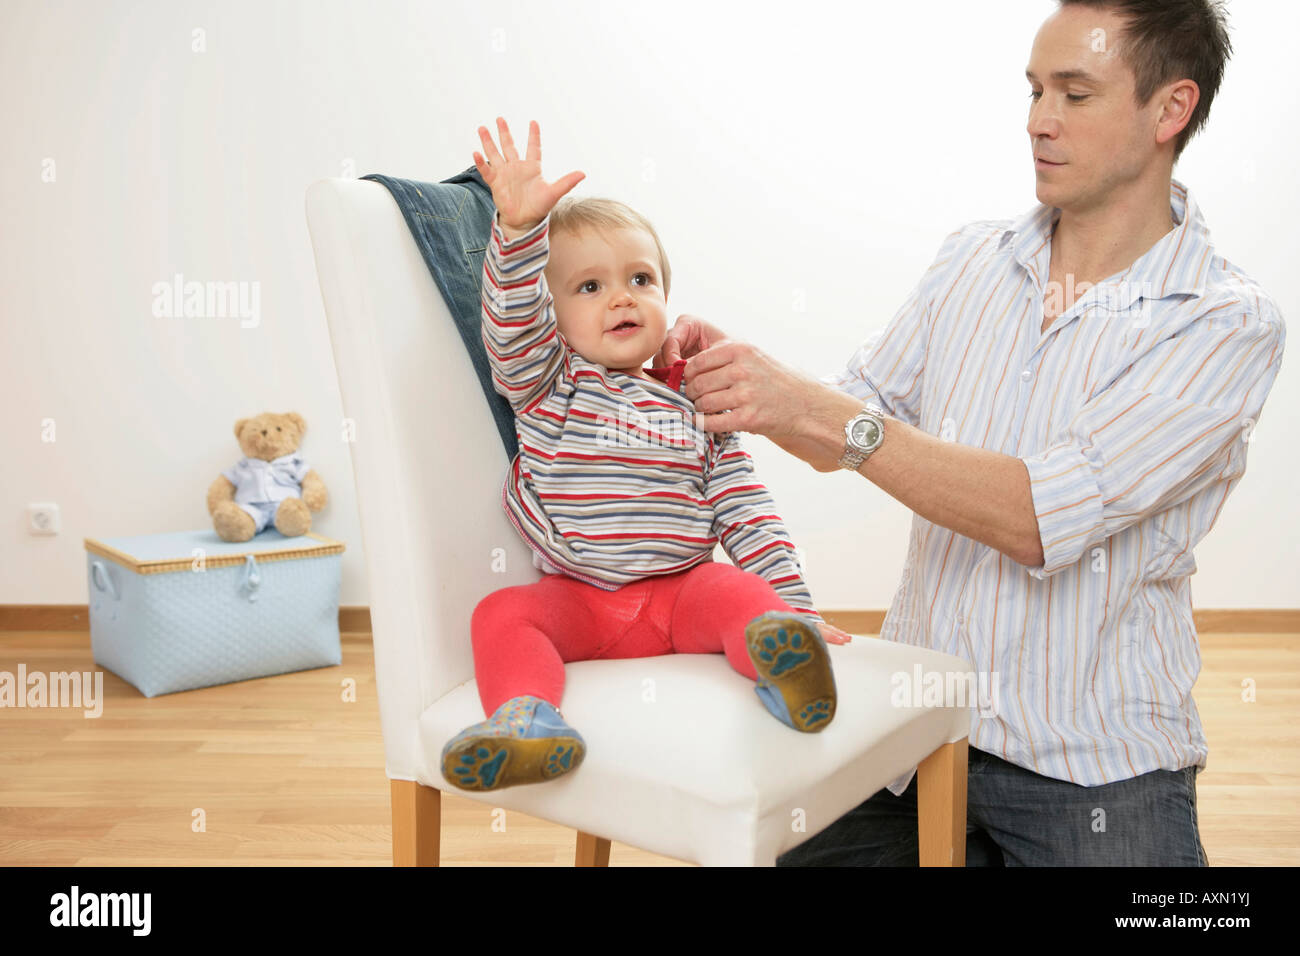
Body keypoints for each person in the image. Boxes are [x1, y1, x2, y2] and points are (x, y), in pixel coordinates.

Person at [660, 0, 1285, 865]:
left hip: (1095, 769)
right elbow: (844, 430)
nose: (1039, 121)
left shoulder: (1223, 322)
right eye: (1033, 91)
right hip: (911, 742)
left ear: (1169, 111)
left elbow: (1038, 518)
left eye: (1075, 93)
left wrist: (814, 408)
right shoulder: (972, 260)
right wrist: (747, 388)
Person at [440, 118, 854, 793]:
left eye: (640, 278)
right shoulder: (546, 385)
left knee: (744, 596)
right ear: (554, 314)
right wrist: (517, 236)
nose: (622, 296)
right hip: (580, 600)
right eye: (589, 287)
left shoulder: (700, 407)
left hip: (682, 595)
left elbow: (748, 514)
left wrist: (795, 605)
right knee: (501, 616)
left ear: (666, 297)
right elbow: (511, 322)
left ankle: (786, 671)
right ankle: (529, 723)